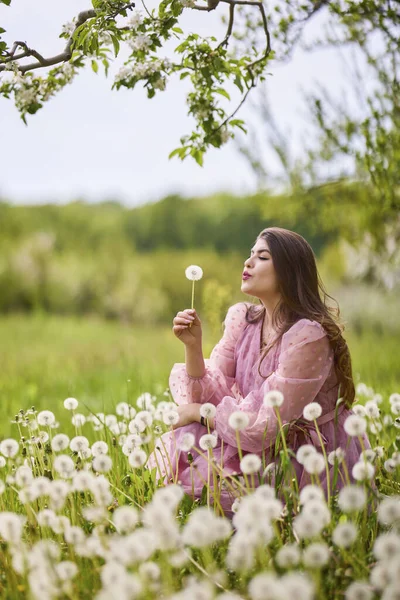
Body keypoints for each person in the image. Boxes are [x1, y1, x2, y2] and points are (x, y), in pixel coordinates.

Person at [150, 227, 371, 514]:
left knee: (206, 452)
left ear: (289, 270)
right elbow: (206, 395)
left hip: (304, 458)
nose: (248, 262)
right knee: (188, 438)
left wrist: (195, 412)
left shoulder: (308, 336)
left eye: (262, 256)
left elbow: (263, 427)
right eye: (250, 254)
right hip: (256, 442)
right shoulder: (243, 319)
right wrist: (193, 347)